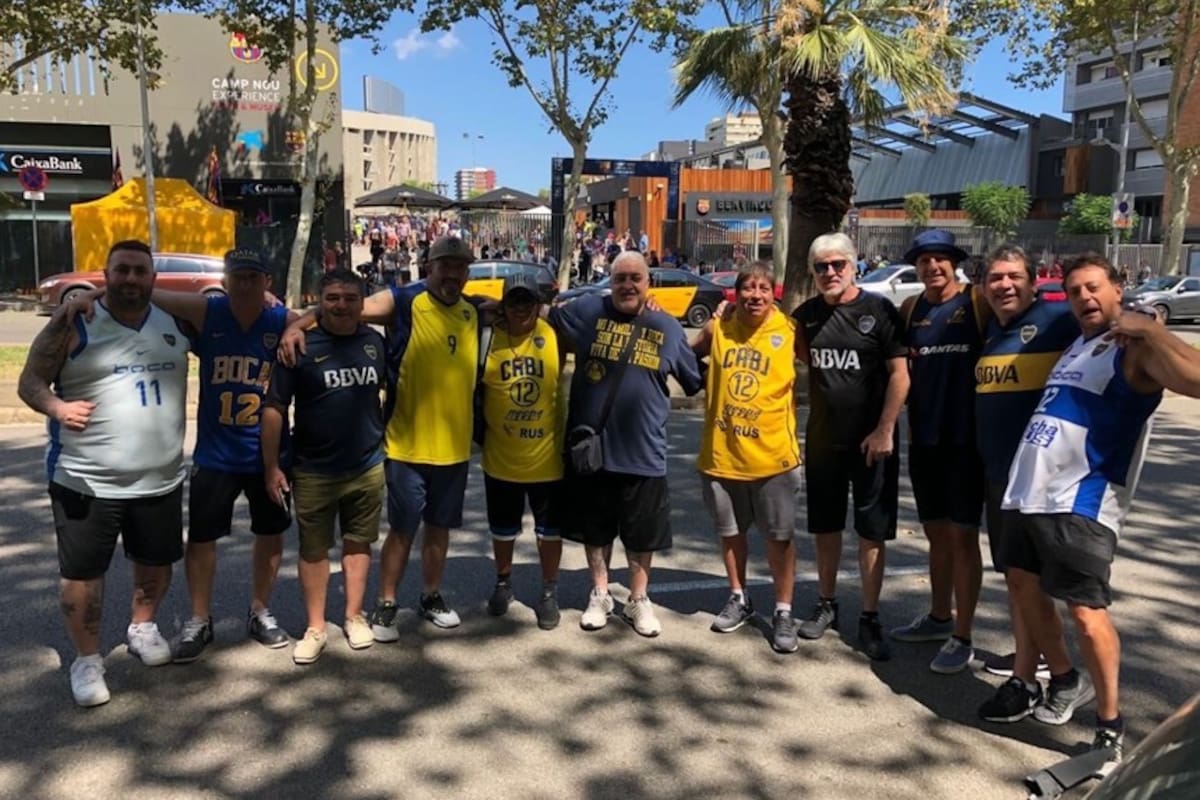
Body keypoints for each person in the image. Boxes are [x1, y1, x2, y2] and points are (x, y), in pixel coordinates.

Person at [1003, 252, 1200, 773]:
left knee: (1087, 617)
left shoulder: (1135, 348)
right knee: (1024, 590)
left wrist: (1151, 329)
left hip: (1080, 502)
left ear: (1118, 290)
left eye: (1094, 288)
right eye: (1075, 292)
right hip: (1028, 495)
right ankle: (1066, 679)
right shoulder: (1078, 343)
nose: (1085, 298)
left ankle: (1110, 729)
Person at [282, 236, 483, 635]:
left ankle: (430, 595)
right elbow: (346, 309)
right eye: (445, 265)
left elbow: (533, 310)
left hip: (456, 447)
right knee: (403, 529)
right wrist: (297, 325)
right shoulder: (403, 301)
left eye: (460, 268)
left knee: (440, 528)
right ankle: (386, 602)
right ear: (430, 266)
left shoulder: (472, 310)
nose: (453, 274)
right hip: (406, 445)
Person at [18, 240, 190, 706]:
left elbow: (237, 308)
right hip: (86, 477)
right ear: (106, 275)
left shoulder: (173, 320)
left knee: (155, 562)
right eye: (122, 270)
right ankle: (87, 659)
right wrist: (56, 406)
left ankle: (142, 626)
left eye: (140, 271)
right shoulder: (76, 321)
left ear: (152, 277)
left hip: (161, 477)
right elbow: (30, 381)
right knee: (83, 574)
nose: (131, 279)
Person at [549, 250, 703, 636]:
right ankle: (599, 593)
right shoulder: (587, 311)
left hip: (644, 452)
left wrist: (721, 333)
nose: (627, 285)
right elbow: (546, 312)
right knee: (596, 531)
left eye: (636, 278)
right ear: (610, 282)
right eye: (620, 278)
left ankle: (638, 600)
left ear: (648, 284)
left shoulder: (667, 326)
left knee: (640, 534)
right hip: (594, 451)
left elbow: (694, 379)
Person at [972, 244, 1079, 722]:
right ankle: (1024, 675)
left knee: (1031, 584)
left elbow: (1119, 331)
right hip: (1000, 477)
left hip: (1044, 480)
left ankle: (1062, 676)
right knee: (1017, 582)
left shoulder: (1059, 319)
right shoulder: (991, 328)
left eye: (1014, 276)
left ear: (1034, 281)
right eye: (995, 277)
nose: (1005, 285)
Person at [792, 233, 909, 661]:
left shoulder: (879, 311)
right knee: (825, 528)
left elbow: (900, 375)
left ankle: (871, 616)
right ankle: (827, 603)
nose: (830, 273)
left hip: (872, 444)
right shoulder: (805, 316)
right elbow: (799, 359)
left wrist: (885, 429)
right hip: (824, 441)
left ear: (854, 264)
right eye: (821, 266)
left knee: (871, 533)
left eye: (838, 264)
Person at [262, 269, 386, 664]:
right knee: (314, 551)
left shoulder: (374, 343)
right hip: (313, 468)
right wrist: (271, 467)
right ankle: (315, 627)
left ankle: (354, 615)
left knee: (358, 542)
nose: (342, 305)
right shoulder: (299, 345)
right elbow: (275, 409)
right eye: (333, 297)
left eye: (350, 298)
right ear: (320, 300)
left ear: (362, 302)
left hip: (366, 465)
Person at [692, 263, 802, 653]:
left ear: (773, 293)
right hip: (723, 455)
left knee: (779, 538)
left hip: (774, 457)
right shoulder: (717, 329)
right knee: (731, 534)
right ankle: (739, 597)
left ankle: (784, 610)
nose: (755, 295)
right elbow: (686, 356)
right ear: (735, 294)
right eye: (747, 288)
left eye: (762, 288)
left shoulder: (789, 332)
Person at [890, 230, 987, 674]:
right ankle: (938, 617)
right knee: (936, 536)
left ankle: (963, 636)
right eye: (924, 261)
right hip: (924, 439)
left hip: (966, 442)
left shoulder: (977, 303)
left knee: (963, 538)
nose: (932, 267)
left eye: (940, 259)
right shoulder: (912, 309)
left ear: (954, 263)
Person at [479, 273, 566, 629]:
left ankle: (549, 591)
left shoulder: (553, 332)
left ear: (537, 304)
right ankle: (503, 583)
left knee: (549, 531)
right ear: (504, 305)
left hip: (548, 458)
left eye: (527, 301)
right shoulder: (487, 338)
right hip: (501, 457)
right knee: (502, 529)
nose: (520, 308)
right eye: (513, 301)